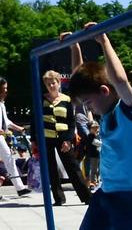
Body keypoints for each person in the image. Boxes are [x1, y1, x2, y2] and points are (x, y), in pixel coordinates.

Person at [66, 22, 132, 230]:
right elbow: (81, 79)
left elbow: (120, 81)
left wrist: (103, 40)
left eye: (89, 103)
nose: (89, 109)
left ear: (105, 91)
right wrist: (74, 47)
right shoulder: (105, 112)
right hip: (107, 190)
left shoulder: (131, 109)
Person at [41, 68, 91, 205]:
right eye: (48, 84)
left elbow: (71, 121)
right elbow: (35, 121)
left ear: (59, 83)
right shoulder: (41, 99)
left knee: (73, 167)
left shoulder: (66, 99)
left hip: (63, 138)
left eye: (54, 83)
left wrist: (68, 140)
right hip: (46, 138)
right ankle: (58, 198)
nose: (51, 86)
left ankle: (87, 197)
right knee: (51, 169)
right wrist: (34, 140)